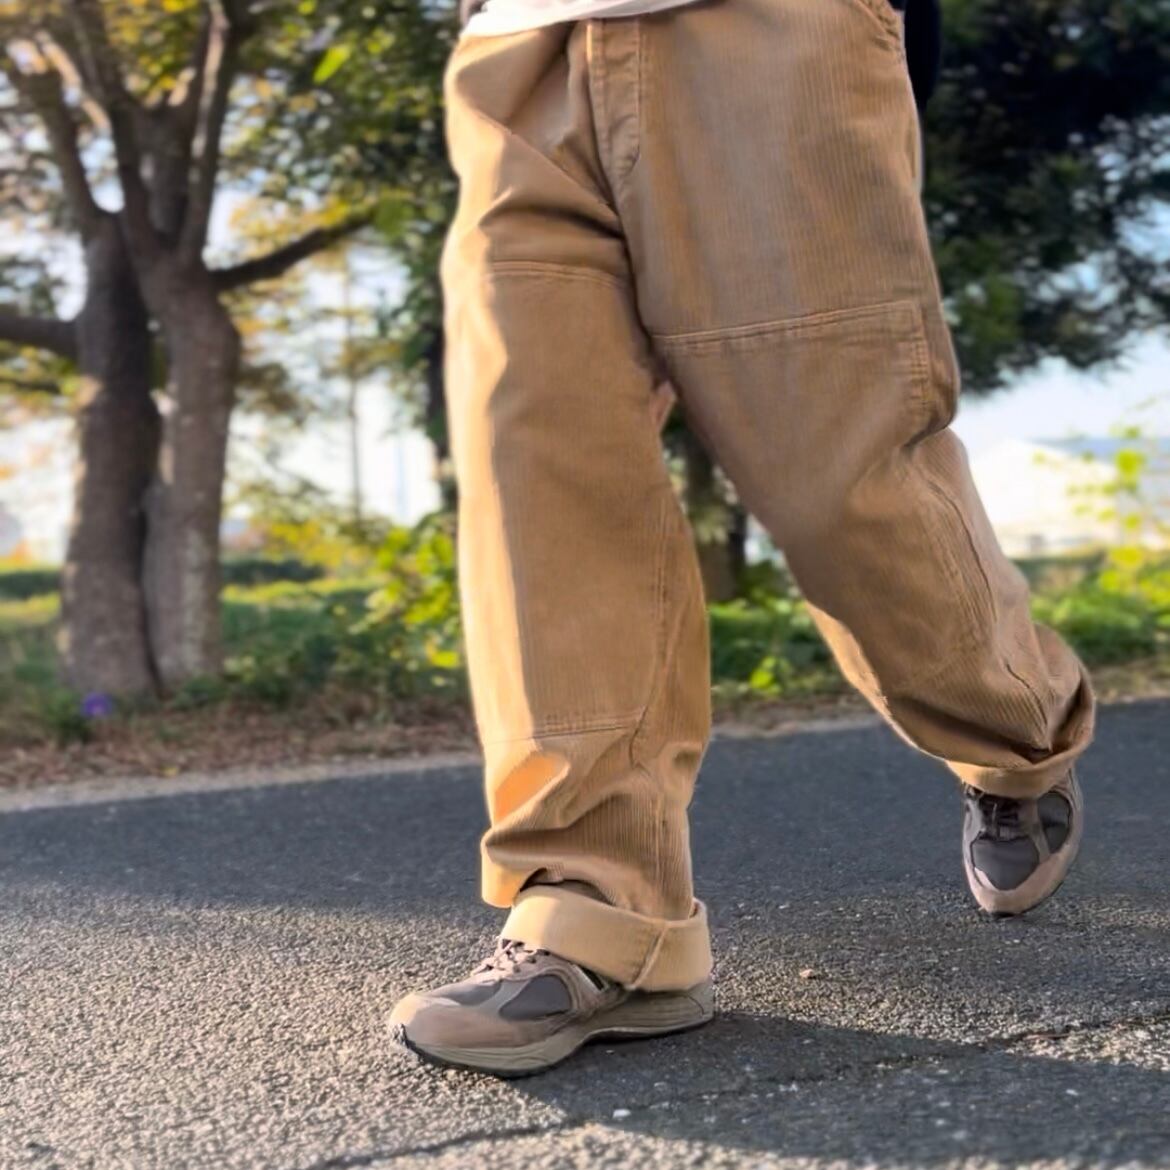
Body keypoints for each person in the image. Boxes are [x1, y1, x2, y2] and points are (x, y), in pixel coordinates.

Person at [390, 0, 1096, 1077]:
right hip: (520, 45)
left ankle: (1015, 728)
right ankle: (602, 911)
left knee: (836, 479)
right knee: (536, 474)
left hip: (772, 29)